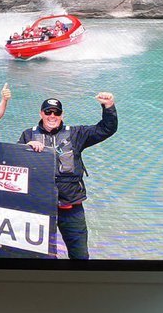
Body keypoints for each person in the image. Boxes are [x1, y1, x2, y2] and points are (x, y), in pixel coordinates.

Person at [17, 93, 117, 260]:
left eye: (56, 113)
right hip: (40, 208)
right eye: (48, 112)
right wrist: (25, 148)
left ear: (62, 115)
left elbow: (106, 129)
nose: (52, 116)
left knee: (80, 256)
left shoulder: (76, 133)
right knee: (41, 256)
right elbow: (15, 165)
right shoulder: (28, 135)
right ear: (41, 114)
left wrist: (109, 107)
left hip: (71, 207)